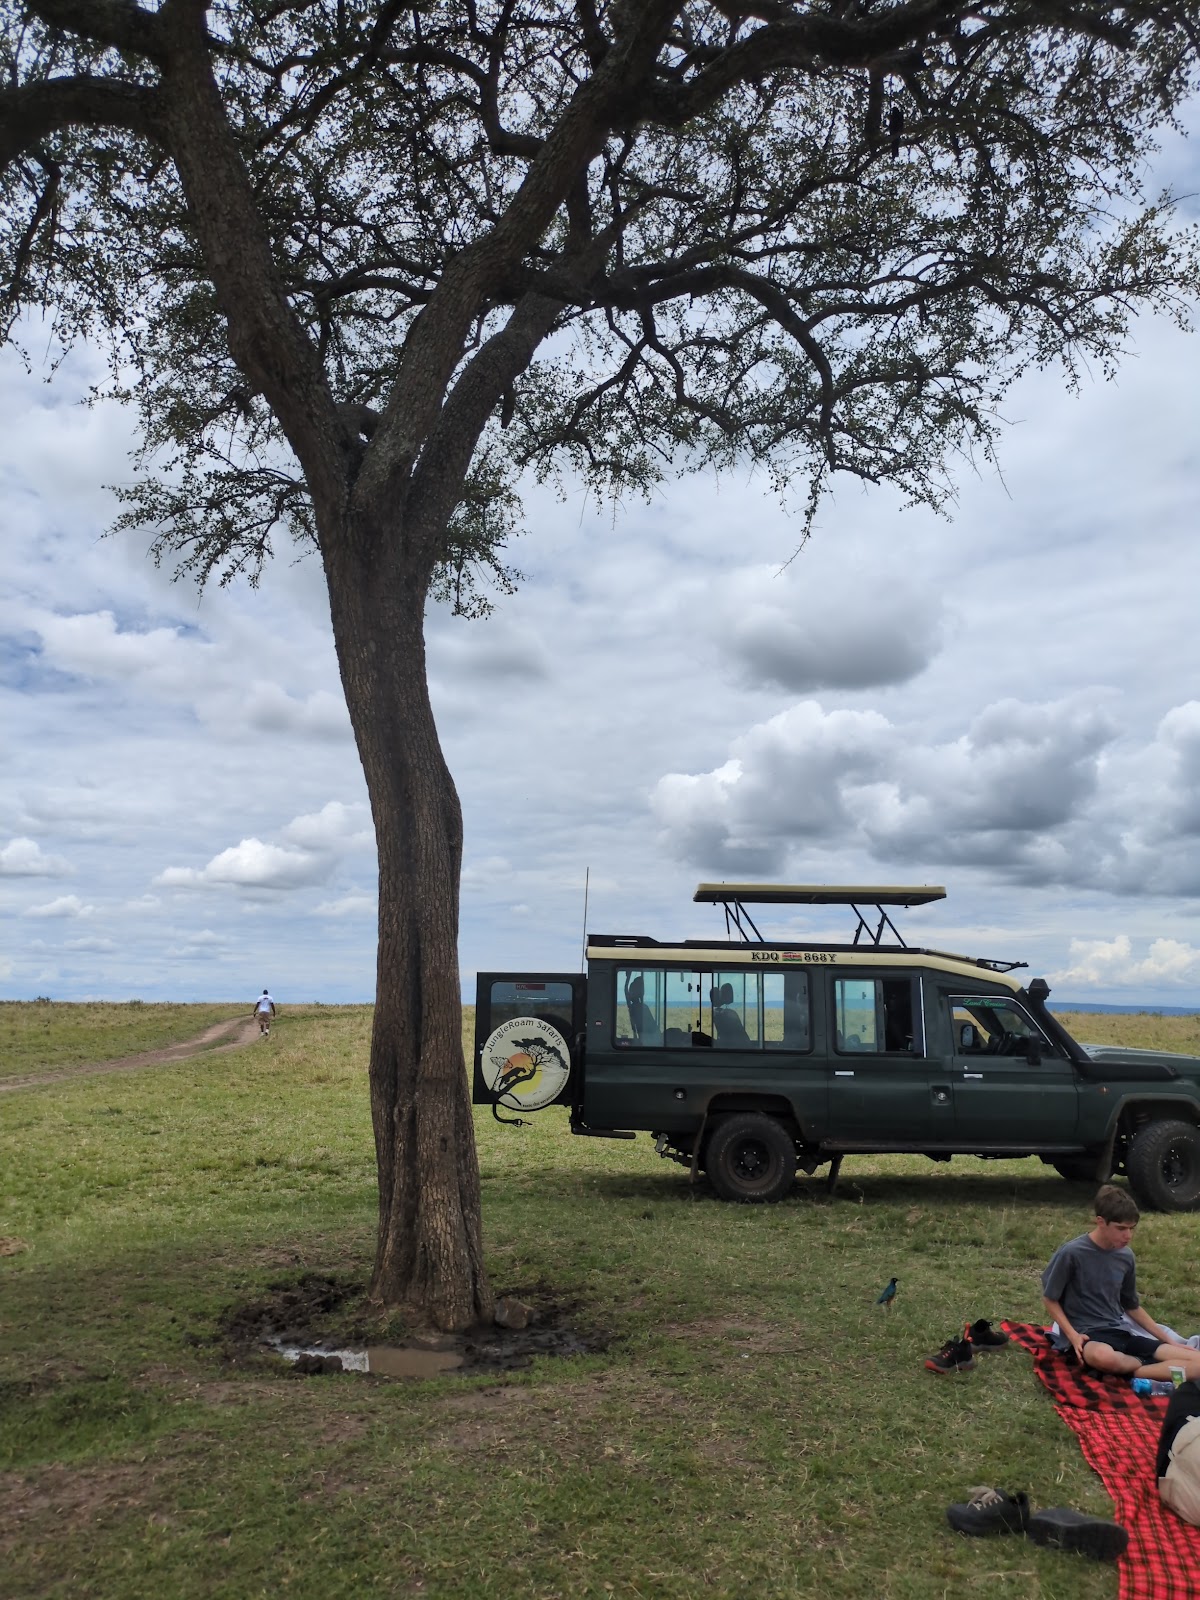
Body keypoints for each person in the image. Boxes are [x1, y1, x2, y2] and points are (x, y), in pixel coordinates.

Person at [1042, 1185, 1200, 1385]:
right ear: (1101, 1222)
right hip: (1087, 1335)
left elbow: (1131, 1306)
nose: (1128, 1236)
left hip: (1121, 1332)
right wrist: (1073, 1336)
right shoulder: (1072, 1253)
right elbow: (1050, 1298)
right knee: (1104, 1357)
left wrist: (1168, 1341)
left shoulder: (1126, 1257)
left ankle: (1136, 1370)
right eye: (1121, 1228)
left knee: (1196, 1360)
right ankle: (1153, 1367)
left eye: (1132, 1228)